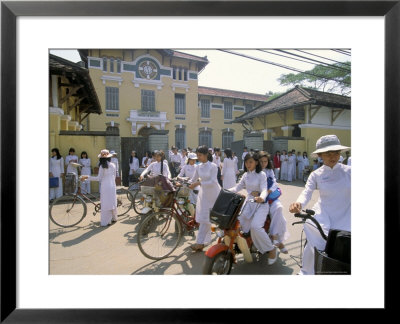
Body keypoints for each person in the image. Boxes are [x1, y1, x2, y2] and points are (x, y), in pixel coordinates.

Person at [289, 135, 351, 275]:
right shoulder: (316, 174)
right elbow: (307, 192)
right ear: (320, 155)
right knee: (314, 246)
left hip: (347, 215)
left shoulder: (350, 171)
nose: (333, 156)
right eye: (328, 153)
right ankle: (307, 272)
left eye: (336, 152)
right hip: (324, 216)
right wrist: (298, 203)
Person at [228, 152, 278, 265]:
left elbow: (265, 189)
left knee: (255, 227)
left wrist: (262, 197)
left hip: (261, 204)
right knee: (238, 223)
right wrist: (224, 191)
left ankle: (271, 249)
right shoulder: (246, 175)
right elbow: (237, 187)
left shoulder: (262, 175)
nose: (248, 164)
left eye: (250, 162)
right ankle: (242, 246)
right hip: (249, 203)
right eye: (246, 162)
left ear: (256, 162)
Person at [188, 145, 221, 251]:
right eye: (197, 155)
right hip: (204, 195)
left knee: (217, 218)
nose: (198, 158)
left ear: (206, 154)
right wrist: (182, 182)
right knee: (204, 218)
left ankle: (225, 238)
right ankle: (200, 242)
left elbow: (212, 181)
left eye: (200, 155)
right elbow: (193, 179)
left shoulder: (213, 166)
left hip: (214, 194)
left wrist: (198, 182)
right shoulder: (198, 167)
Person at [259, 151, 289, 253]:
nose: (263, 164)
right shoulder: (254, 170)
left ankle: (275, 235)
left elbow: (274, 183)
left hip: (271, 197)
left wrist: (268, 191)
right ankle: (279, 242)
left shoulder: (269, 171)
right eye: (261, 161)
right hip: (259, 199)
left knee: (279, 208)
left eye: (265, 161)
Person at [81, 149, 118, 227]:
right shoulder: (113, 165)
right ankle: (114, 218)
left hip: (105, 186)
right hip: (112, 185)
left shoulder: (102, 166)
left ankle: (106, 221)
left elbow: (98, 178)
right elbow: (114, 176)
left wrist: (87, 177)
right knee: (112, 201)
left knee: (105, 203)